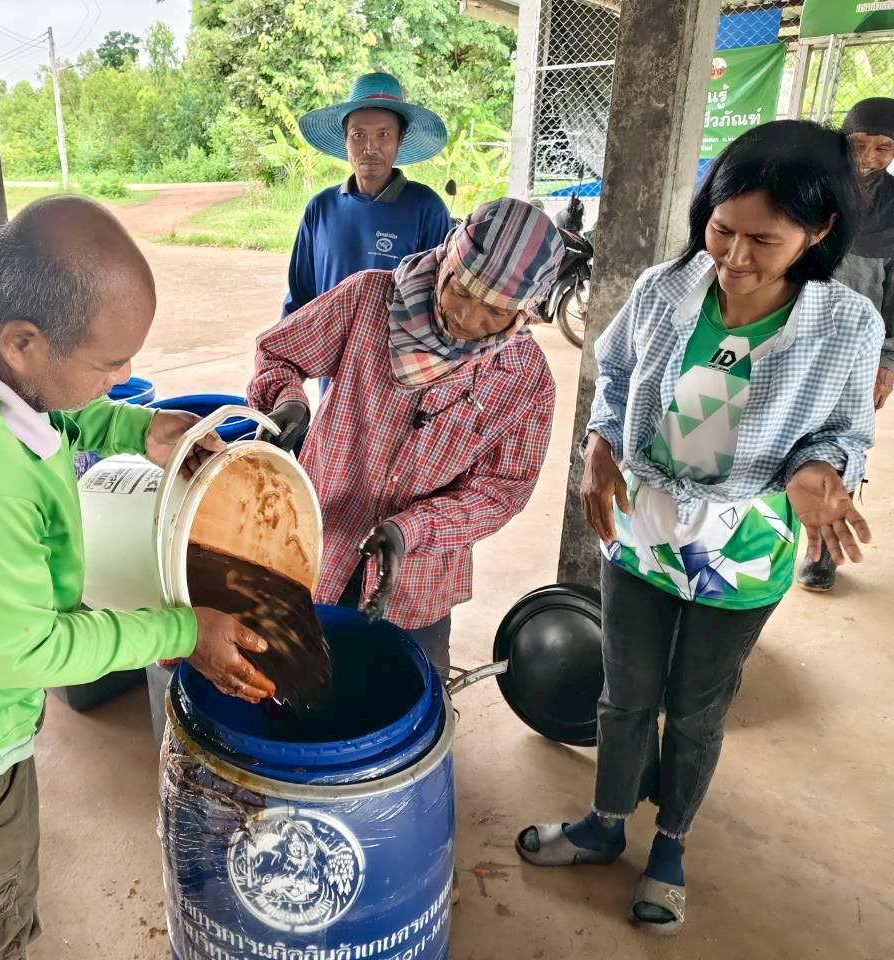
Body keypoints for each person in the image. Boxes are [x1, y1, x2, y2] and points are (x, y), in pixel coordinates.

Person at [0, 196, 277, 958]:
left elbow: (33, 408)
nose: (127, 375)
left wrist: (136, 425)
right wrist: (184, 630)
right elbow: (19, 649)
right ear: (24, 341)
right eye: (110, 365)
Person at [515, 121, 882, 936]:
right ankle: (606, 825)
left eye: (765, 239)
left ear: (818, 232)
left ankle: (670, 845)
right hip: (643, 529)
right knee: (624, 695)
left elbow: (842, 435)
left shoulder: (844, 325)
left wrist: (819, 472)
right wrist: (597, 447)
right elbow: (613, 373)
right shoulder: (665, 288)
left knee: (694, 710)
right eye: (722, 228)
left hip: (743, 550)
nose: (736, 258)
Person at [249, 197, 565, 672]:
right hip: (313, 540)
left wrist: (409, 529)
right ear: (446, 259)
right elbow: (279, 354)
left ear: (524, 312)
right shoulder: (367, 300)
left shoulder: (525, 380)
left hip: (415, 574)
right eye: (461, 288)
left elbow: (501, 490)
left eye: (495, 310)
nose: (468, 317)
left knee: (404, 694)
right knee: (289, 676)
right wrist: (287, 400)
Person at [286, 72, 453, 400]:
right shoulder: (320, 209)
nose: (370, 148)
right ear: (345, 140)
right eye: (358, 135)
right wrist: (285, 374)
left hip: (400, 382)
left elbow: (442, 308)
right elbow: (300, 299)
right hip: (332, 377)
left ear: (400, 139)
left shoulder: (427, 209)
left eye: (383, 134)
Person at [797, 97, 894, 591]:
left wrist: (888, 362)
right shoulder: (815, 190)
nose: (868, 157)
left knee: (842, 443)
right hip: (796, 337)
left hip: (859, 351)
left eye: (883, 147)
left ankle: (823, 555)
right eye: (859, 144)